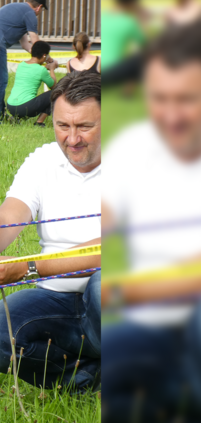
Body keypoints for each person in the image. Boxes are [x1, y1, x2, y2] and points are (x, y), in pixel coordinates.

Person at [0, 71, 101, 390]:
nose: (72, 139)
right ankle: (89, 377)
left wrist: (29, 268)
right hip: (56, 296)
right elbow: (8, 216)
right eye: (62, 126)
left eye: (85, 126)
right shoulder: (42, 161)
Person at [101, 23, 201, 423]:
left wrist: (128, 294)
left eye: (187, 99)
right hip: (153, 321)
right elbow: (97, 229)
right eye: (160, 99)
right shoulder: (134, 145)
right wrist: (23, 263)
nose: (171, 115)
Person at [0, 0, 49, 122]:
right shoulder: (30, 13)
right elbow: (35, 42)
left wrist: (40, 56)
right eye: (41, 10)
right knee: (1, 81)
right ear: (39, 7)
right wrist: (47, 58)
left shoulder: (16, 9)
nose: (39, 13)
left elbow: (26, 45)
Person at [100, 0, 147, 87]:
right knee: (141, 57)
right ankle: (128, 91)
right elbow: (145, 44)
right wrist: (143, 20)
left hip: (99, 70)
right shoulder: (129, 22)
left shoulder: (104, 17)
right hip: (112, 72)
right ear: (132, 1)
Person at [6, 41, 57, 126]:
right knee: (55, 93)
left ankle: (16, 118)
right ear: (44, 55)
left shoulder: (21, 65)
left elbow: (33, 72)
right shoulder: (41, 70)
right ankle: (39, 122)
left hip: (10, 106)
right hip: (26, 107)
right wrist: (52, 69)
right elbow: (53, 86)